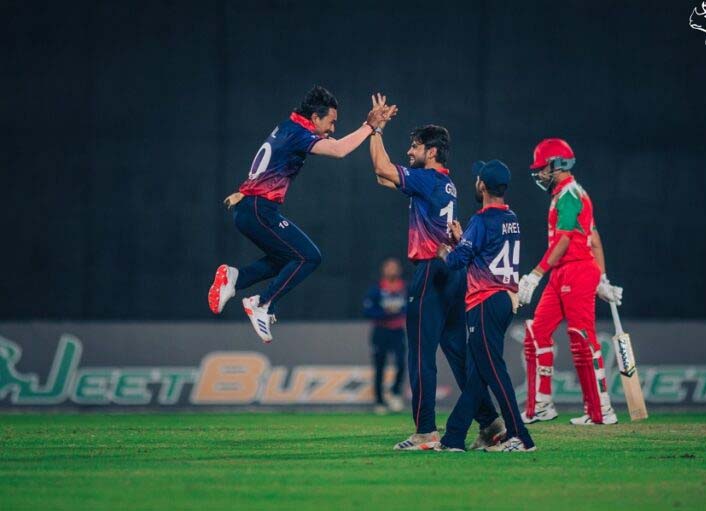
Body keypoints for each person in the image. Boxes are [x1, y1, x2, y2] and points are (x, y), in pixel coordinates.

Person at [368, 94, 503, 451]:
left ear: (431, 152)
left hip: (430, 271)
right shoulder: (447, 183)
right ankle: (491, 423)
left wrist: (375, 128)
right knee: (458, 353)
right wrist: (379, 148)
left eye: (414, 146)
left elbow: (382, 168)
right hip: (454, 272)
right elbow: (383, 176)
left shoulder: (427, 180)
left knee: (420, 354)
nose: (409, 151)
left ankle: (426, 431)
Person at [207, 86, 395, 343]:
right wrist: (369, 125)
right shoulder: (297, 132)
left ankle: (235, 278)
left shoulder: (290, 127)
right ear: (315, 117)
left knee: (288, 258)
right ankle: (262, 303)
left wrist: (372, 129)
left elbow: (332, 145)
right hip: (258, 209)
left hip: (249, 209)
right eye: (331, 122)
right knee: (309, 257)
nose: (333, 128)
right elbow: (339, 150)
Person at [516, 138, 624, 425]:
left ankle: (601, 410)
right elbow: (595, 239)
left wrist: (536, 274)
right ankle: (542, 405)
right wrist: (602, 277)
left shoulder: (569, 195)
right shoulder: (567, 194)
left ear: (557, 165)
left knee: (582, 338)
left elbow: (564, 240)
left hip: (576, 270)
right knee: (537, 332)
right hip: (563, 272)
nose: (539, 174)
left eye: (542, 168)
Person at [434, 160, 536, 452]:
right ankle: (454, 437)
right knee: (479, 374)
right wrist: (464, 240)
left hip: (484, 302)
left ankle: (520, 436)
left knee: (493, 370)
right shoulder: (511, 218)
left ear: (482, 185)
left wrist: (446, 250)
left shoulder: (481, 220)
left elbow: (457, 262)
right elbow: (484, 253)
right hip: (504, 301)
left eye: (477, 179)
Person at [362, 258, 407, 414]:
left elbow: (411, 307)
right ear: (384, 270)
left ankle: (395, 393)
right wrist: (385, 313)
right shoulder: (377, 289)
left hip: (397, 331)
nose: (392, 270)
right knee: (379, 365)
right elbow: (367, 310)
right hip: (380, 331)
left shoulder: (404, 288)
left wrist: (400, 312)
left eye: (395, 267)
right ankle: (379, 401)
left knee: (401, 362)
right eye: (389, 267)